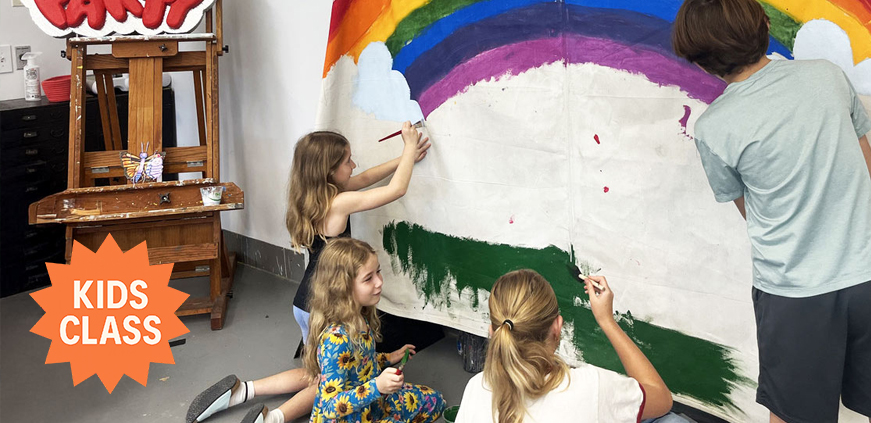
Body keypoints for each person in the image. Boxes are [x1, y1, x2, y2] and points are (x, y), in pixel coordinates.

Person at [672, 0, 871, 423]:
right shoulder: (826, 76)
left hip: (793, 293)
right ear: (764, 26)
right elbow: (868, 167)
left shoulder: (713, 128)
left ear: (700, 62)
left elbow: (753, 211)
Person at [186, 124, 431, 423]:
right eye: (347, 161)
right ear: (329, 171)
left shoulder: (312, 198)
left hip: (305, 301)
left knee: (316, 371)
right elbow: (396, 189)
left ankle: (242, 391)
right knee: (324, 383)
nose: (354, 166)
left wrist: (405, 158)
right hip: (326, 304)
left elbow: (364, 178)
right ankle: (273, 419)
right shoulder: (339, 203)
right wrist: (408, 146)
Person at [456, 269, 673, 423]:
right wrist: (607, 321)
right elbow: (662, 400)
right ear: (557, 327)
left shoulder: (476, 388)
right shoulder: (592, 388)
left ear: (493, 331)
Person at [304, 237, 446, 422]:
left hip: (371, 404)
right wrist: (377, 387)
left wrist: (389, 358)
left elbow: (361, 364)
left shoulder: (359, 315)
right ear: (343, 288)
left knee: (434, 401)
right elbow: (330, 407)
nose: (379, 282)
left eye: (377, 272)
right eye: (368, 278)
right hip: (350, 416)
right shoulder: (336, 340)